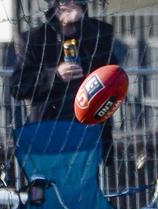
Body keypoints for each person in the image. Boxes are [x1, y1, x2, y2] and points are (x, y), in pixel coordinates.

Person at [10, 0, 117, 164]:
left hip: (89, 134)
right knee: (48, 185)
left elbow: (112, 75)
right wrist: (55, 75)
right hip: (49, 132)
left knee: (87, 185)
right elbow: (18, 86)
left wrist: (83, 25)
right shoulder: (35, 39)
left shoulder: (99, 33)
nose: (70, 4)